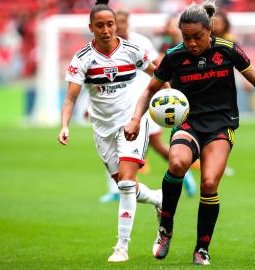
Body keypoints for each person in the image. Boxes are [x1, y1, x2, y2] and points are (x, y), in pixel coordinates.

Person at [124, 1, 255, 265]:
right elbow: (149, 90)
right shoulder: (175, 55)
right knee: (176, 163)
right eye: (187, 37)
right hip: (189, 123)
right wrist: (136, 118)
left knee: (209, 184)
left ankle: (202, 248)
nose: (192, 43)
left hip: (221, 124)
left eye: (197, 37)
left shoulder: (228, 50)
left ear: (210, 30)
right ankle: (165, 229)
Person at [58, 4, 164, 263]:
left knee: (127, 184)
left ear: (116, 25)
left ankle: (121, 247)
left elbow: (158, 74)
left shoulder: (132, 50)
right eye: (100, 25)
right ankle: (160, 198)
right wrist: (64, 125)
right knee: (126, 187)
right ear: (91, 28)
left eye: (110, 24)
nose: (106, 30)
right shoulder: (82, 58)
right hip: (102, 129)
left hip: (133, 123)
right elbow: (71, 98)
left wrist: (169, 97)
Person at [98, 9, 196, 203]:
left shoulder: (140, 42)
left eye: (123, 22)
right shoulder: (106, 46)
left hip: (144, 100)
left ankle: (184, 172)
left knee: (156, 144)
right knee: (112, 144)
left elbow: (157, 65)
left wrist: (164, 88)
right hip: (119, 104)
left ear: (127, 23)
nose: (120, 26)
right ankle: (116, 188)